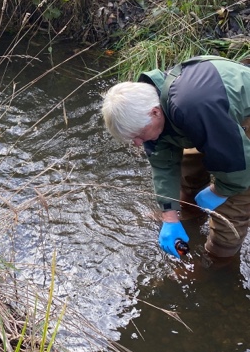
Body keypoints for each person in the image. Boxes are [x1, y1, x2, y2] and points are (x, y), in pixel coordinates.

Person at [102, 55, 250, 260]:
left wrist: (221, 190)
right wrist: (169, 215)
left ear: (155, 113)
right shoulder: (151, 108)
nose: (137, 143)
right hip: (210, 118)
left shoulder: (192, 106)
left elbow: (237, 166)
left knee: (235, 199)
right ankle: (191, 210)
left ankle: (218, 259)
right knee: (189, 163)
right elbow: (164, 164)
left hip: (241, 115)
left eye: (138, 136)